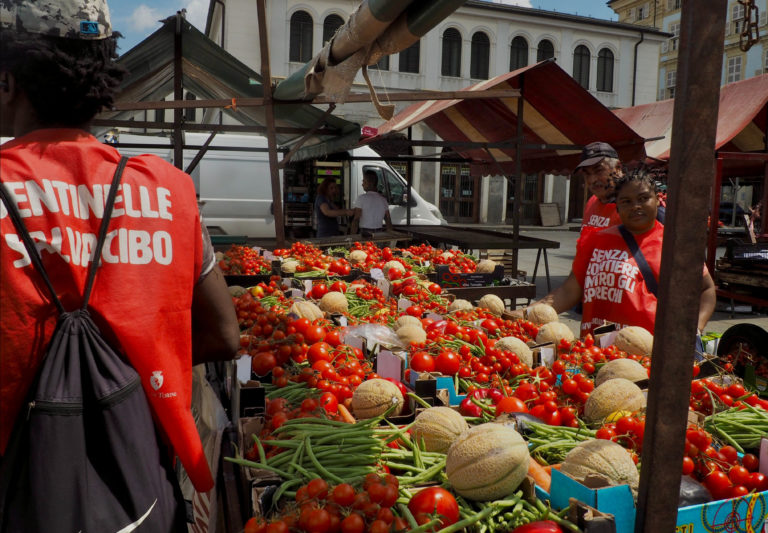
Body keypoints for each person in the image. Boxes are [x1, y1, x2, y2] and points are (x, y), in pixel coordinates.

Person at [0, 0, 240, 518]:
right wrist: (130, 361)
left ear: (8, 82)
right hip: (138, 476)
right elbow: (224, 335)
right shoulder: (169, 191)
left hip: (18, 484)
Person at [523, 169, 716, 338]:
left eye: (643, 198)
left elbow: (706, 289)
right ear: (617, 206)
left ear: (658, 199)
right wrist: (528, 313)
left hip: (650, 352)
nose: (635, 206)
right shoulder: (596, 240)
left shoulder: (675, 245)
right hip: (597, 351)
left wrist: (695, 329)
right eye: (626, 201)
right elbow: (568, 291)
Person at [351, 169, 393, 237]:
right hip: (379, 234)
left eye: (364, 181)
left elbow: (356, 220)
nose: (362, 184)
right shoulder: (383, 200)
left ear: (370, 183)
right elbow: (388, 220)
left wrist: (351, 237)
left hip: (365, 234)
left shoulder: (361, 198)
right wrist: (391, 236)